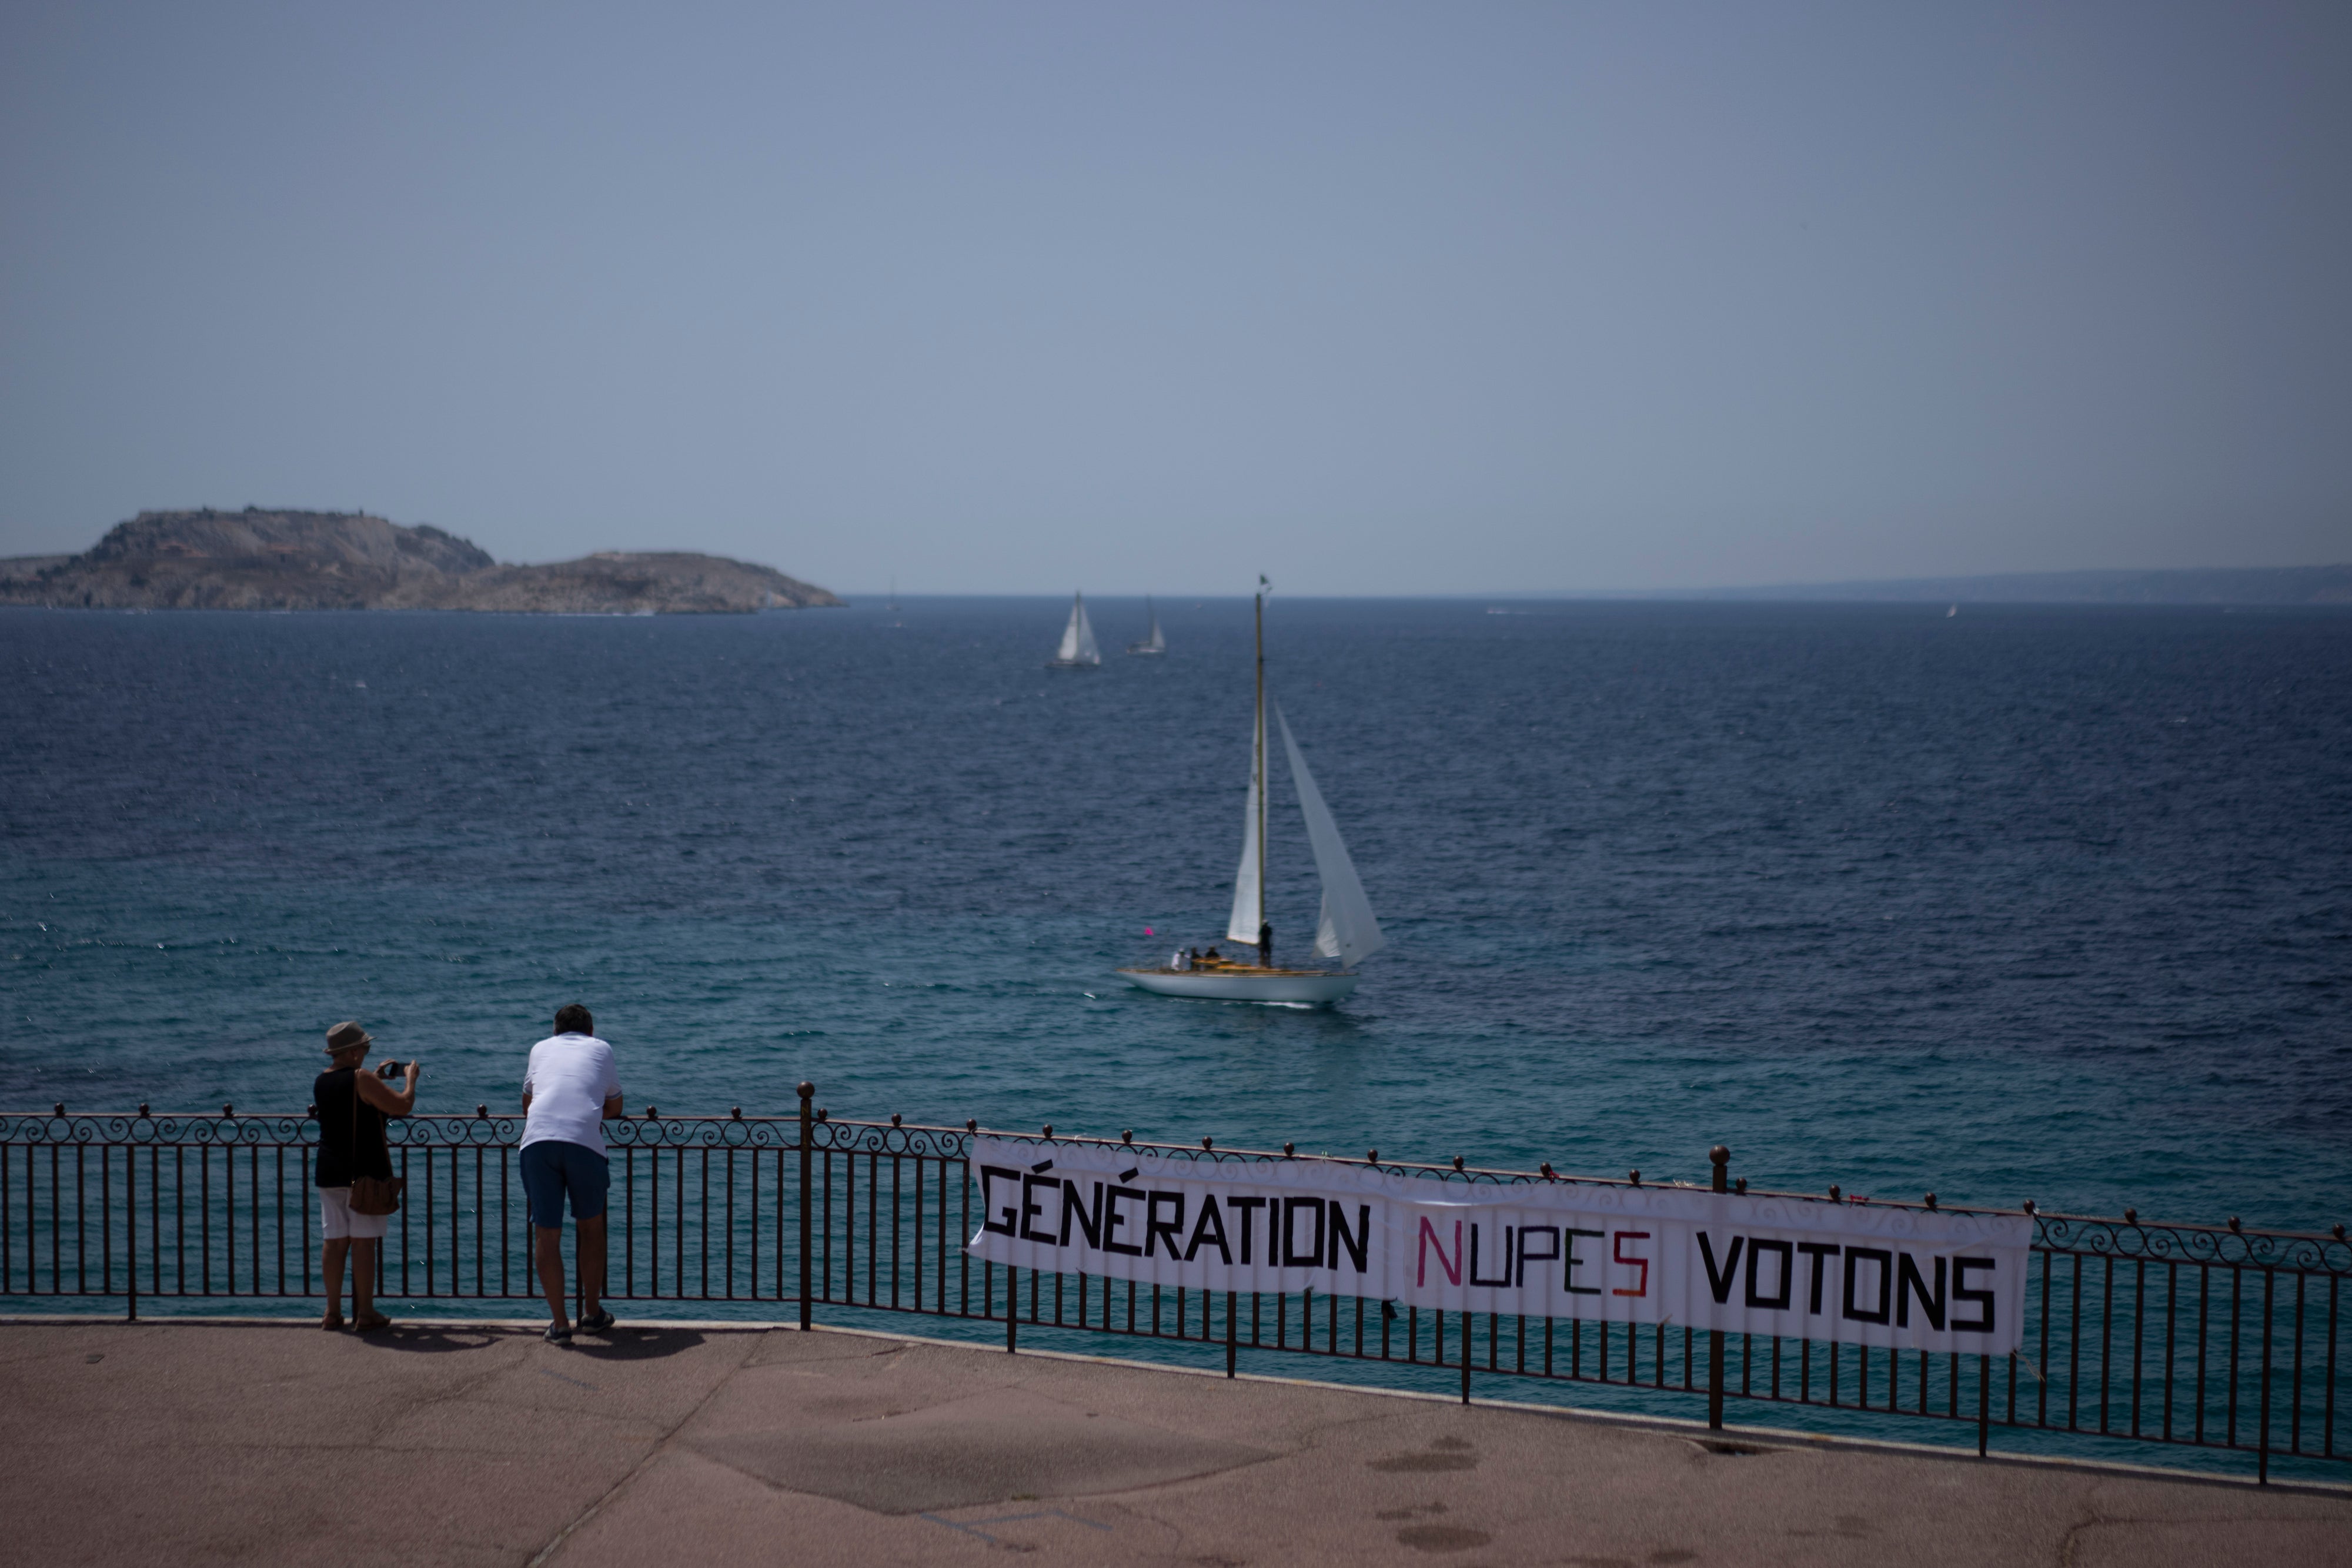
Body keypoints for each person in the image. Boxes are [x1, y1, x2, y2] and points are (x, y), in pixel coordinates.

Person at [521, 1003, 623, 1344]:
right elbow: (615, 1106)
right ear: (590, 1031)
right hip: (583, 1143)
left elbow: (528, 1103)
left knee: (546, 1235)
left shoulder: (539, 1049)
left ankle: (561, 1324)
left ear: (555, 1031)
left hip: (538, 1143)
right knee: (591, 1228)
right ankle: (592, 1314)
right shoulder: (602, 1048)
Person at [314, 1021, 418, 1332]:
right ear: (355, 1052)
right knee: (363, 1243)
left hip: (328, 1170)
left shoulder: (322, 1081)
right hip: (363, 1173)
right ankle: (366, 1313)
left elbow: (354, 1106)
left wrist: (374, 1077)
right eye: (366, 1048)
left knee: (333, 1242)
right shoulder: (361, 1078)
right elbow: (402, 1106)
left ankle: (332, 1312)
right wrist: (410, 1080)